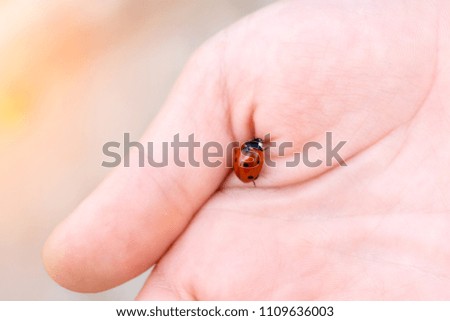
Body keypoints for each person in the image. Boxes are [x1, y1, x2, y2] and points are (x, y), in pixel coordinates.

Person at [43, 0, 450, 299]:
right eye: (253, 153)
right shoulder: (252, 155)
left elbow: (254, 156)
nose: (254, 153)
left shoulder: (251, 154)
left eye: (251, 152)